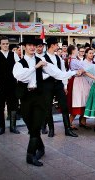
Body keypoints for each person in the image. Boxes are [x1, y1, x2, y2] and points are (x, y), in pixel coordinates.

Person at [13, 37, 83, 167]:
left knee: (35, 128)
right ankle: (41, 147)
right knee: (30, 126)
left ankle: (30, 155)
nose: (32, 47)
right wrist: (35, 67)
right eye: (29, 45)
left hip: (39, 96)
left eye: (34, 45)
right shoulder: (19, 63)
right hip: (26, 97)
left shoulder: (42, 61)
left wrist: (74, 72)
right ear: (24, 47)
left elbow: (58, 74)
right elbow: (20, 76)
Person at [41, 37, 78, 137]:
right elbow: (41, 74)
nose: (58, 47)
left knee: (64, 106)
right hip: (47, 85)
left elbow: (63, 72)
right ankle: (51, 129)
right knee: (48, 107)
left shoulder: (59, 58)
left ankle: (67, 129)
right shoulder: (43, 58)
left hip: (58, 84)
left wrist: (65, 85)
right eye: (57, 45)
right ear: (52, 45)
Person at [0, 36, 21, 135]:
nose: (5, 45)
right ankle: (1, 127)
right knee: (1, 106)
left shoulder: (14, 54)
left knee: (13, 106)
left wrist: (19, 80)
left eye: (7, 44)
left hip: (12, 84)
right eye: (3, 44)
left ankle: (13, 127)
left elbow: (19, 68)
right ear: (0, 45)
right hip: (1, 85)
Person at [66, 45, 95, 130]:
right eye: (76, 50)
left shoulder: (74, 60)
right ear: (73, 51)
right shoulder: (75, 61)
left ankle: (82, 121)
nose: (78, 51)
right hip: (78, 81)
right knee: (78, 102)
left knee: (84, 101)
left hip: (80, 81)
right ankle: (69, 123)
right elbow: (84, 70)